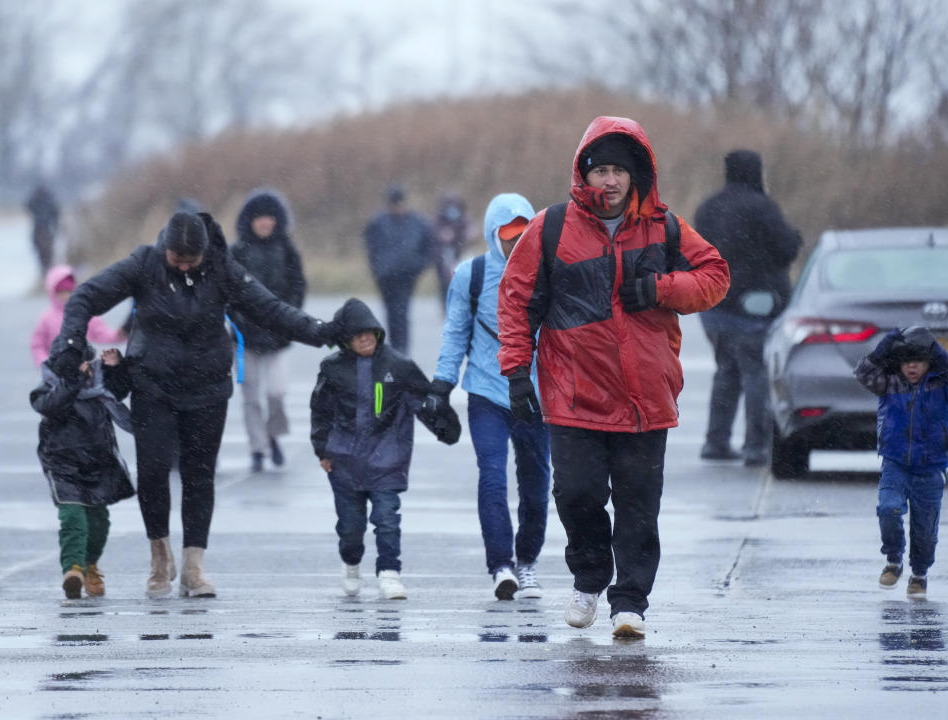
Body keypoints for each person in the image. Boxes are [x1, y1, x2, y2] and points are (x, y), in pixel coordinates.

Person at [497, 116, 730, 638]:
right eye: (599, 169)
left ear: (636, 176)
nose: (609, 180)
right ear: (583, 174)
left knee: (638, 509)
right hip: (573, 394)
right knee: (576, 495)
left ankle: (631, 604)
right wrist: (515, 373)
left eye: (619, 171)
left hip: (646, 396)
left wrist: (660, 290)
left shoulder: (665, 227)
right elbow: (515, 301)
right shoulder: (550, 226)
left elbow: (715, 276)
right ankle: (589, 578)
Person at [51, 211, 343, 599]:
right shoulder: (144, 264)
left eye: (192, 259)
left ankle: (193, 566)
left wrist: (320, 332)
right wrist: (71, 342)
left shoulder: (222, 268)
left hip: (207, 388)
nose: (185, 264)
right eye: (178, 258)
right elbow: (86, 296)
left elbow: (270, 309)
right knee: (154, 473)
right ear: (165, 248)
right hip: (152, 385)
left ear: (205, 252)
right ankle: (159, 560)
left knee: (198, 475)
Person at [432, 192, 550, 601]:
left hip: (537, 396)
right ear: (492, 235)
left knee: (537, 485)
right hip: (485, 393)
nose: (517, 243)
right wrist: (441, 386)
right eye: (508, 236)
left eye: (525, 234)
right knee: (493, 479)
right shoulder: (472, 275)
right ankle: (501, 565)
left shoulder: (549, 272)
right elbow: (455, 333)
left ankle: (528, 561)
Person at [310, 298, 460, 600]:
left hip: (387, 458)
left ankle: (390, 573)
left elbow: (425, 399)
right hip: (344, 462)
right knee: (351, 527)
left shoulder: (398, 366)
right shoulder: (332, 368)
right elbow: (320, 410)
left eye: (370, 332)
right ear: (345, 339)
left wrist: (447, 429)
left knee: (387, 520)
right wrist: (323, 450)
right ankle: (351, 562)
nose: (365, 338)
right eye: (357, 334)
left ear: (378, 333)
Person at [694, 149, 803, 466]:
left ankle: (716, 441)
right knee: (755, 373)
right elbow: (786, 248)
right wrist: (795, 238)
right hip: (752, 307)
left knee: (726, 370)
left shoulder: (708, 208)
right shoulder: (762, 208)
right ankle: (756, 445)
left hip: (713, 307)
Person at [854, 326, 948, 597]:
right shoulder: (889, 383)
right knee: (889, 510)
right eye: (906, 360)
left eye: (919, 360)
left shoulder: (943, 384)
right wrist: (884, 346)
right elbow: (863, 373)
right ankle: (893, 559)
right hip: (895, 464)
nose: (912, 366)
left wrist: (941, 354)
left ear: (930, 362)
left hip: (931, 469)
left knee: (925, 528)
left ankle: (919, 573)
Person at [31, 345, 134, 599]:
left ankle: (89, 564)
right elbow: (51, 405)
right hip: (62, 464)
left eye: (89, 364)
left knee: (99, 523)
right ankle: (73, 570)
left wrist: (115, 367)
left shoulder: (100, 388)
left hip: (98, 462)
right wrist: (72, 379)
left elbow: (122, 389)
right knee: (73, 517)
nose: (86, 370)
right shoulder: (51, 389)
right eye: (79, 365)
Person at [229, 189, 307, 473]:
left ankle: (273, 436)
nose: (264, 223)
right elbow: (227, 291)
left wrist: (289, 318)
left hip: (278, 337)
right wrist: (238, 319)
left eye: (269, 218)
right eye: (259, 218)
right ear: (250, 221)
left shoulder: (287, 250)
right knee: (250, 397)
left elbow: (298, 286)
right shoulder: (236, 252)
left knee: (276, 393)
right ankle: (257, 448)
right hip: (244, 339)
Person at [364, 184, 436, 354]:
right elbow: (371, 247)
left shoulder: (417, 223)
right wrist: (377, 268)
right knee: (390, 311)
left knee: (402, 311)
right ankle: (395, 347)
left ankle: (402, 348)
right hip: (386, 276)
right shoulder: (378, 223)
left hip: (407, 275)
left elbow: (429, 246)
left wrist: (419, 266)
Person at [31, 265, 125, 368]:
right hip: (57, 370)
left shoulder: (85, 312)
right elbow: (37, 345)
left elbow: (102, 333)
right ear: (52, 292)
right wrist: (45, 363)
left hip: (85, 368)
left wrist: (120, 334)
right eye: (61, 292)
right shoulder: (46, 319)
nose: (65, 296)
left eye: (69, 291)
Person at [433, 191, 470, 310]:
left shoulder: (463, 218)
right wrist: (442, 235)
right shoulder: (440, 218)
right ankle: (445, 304)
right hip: (443, 255)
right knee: (444, 282)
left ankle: (458, 304)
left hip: (459, 253)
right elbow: (434, 233)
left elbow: (468, 231)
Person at [26, 184, 60, 277]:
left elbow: (28, 207)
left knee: (44, 256)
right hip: (46, 231)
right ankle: (48, 274)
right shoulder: (49, 202)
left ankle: (46, 274)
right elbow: (56, 216)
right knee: (47, 256)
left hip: (41, 231)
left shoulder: (37, 202)